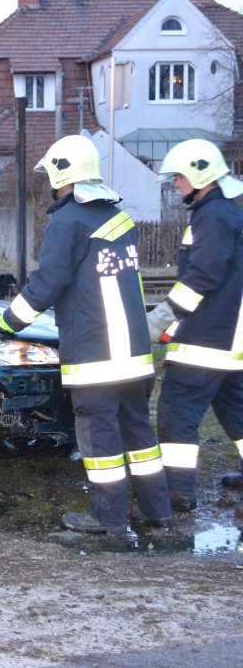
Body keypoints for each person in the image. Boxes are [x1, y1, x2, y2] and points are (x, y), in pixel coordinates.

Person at [0, 134, 171, 534]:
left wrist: (5, 323)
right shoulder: (120, 219)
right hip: (134, 353)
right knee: (138, 431)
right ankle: (157, 509)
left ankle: (107, 517)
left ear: (60, 175)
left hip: (96, 355)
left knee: (99, 436)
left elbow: (47, 285)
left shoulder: (67, 221)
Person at [146, 139, 243, 509]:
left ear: (200, 175)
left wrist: (162, 317)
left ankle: (178, 491)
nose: (176, 184)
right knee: (235, 410)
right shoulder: (224, 212)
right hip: (228, 336)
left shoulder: (214, 215)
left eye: (180, 177)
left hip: (208, 338)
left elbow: (202, 277)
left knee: (177, 410)